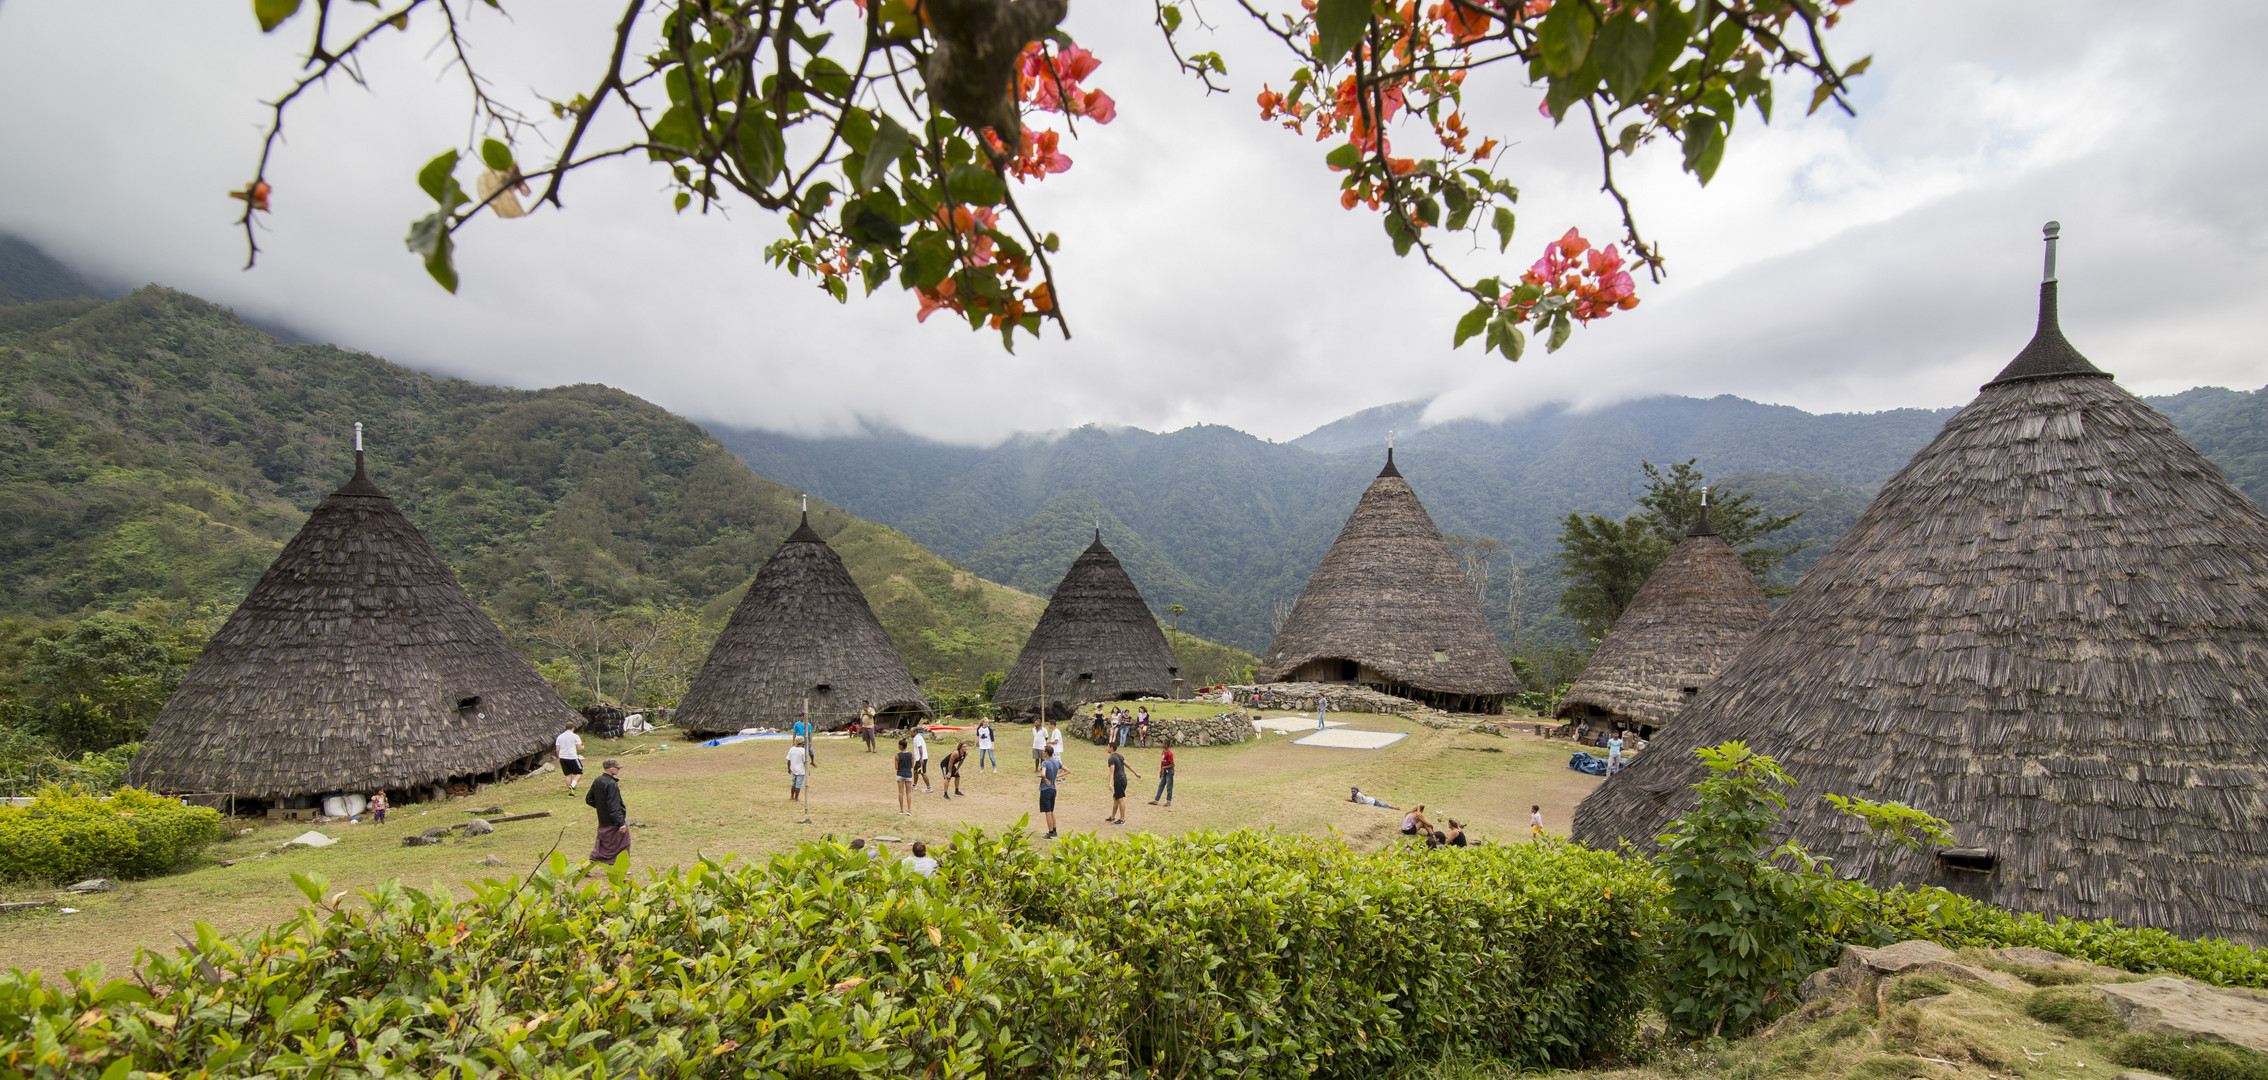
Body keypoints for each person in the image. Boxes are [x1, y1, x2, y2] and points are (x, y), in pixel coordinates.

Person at [580, 759, 629, 877]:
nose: (618, 770)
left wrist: (601, 808)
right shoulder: (611, 784)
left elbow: (589, 799)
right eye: (617, 768)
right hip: (612, 821)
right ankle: (587, 865)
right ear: (611, 769)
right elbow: (614, 805)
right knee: (621, 844)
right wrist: (620, 822)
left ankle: (621, 867)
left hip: (603, 820)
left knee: (604, 844)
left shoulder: (598, 780)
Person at [1105, 742, 1141, 824]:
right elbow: (1128, 765)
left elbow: (1112, 771)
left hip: (1118, 780)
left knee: (1120, 799)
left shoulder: (1111, 759)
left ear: (1111, 748)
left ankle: (1122, 819)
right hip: (1124, 779)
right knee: (1115, 798)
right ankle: (1112, 817)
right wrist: (1135, 773)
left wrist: (1110, 783)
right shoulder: (1120, 756)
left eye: (1108, 747)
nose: (1107, 748)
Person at [1039, 746, 1069, 839]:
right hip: (1053, 789)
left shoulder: (1045, 763)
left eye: (1044, 751)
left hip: (1045, 789)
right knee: (1052, 811)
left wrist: (1044, 779)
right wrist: (1056, 777)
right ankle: (1054, 830)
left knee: (1047, 812)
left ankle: (1050, 832)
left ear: (1047, 753)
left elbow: (1043, 773)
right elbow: (1068, 770)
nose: (1043, 752)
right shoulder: (1056, 762)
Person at [555, 725, 586, 791]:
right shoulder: (575, 736)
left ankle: (569, 788)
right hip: (572, 757)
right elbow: (580, 748)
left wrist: (559, 757)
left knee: (568, 774)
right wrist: (583, 747)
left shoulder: (560, 736)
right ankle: (572, 785)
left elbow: (557, 749)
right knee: (579, 772)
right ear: (573, 728)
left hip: (563, 757)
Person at [1148, 740, 1176, 808]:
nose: (1162, 744)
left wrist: (1164, 767)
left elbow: (1172, 764)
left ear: (1166, 745)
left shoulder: (1169, 753)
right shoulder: (1163, 752)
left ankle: (1168, 801)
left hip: (1169, 771)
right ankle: (1156, 800)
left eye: (1163, 743)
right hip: (1164, 771)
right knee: (1161, 785)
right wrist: (1161, 771)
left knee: (1169, 786)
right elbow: (1162, 762)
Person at [786, 736, 810, 804]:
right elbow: (805, 761)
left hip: (793, 769)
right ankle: (796, 798)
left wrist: (789, 768)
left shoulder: (792, 749)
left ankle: (792, 796)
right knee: (798, 784)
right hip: (800, 770)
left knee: (793, 783)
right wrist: (807, 770)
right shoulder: (803, 751)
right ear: (802, 743)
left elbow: (788, 759)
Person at [895, 738, 915, 816]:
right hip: (908, 774)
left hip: (900, 774)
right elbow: (912, 765)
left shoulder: (897, 755)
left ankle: (901, 809)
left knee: (900, 792)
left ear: (901, 746)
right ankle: (909, 809)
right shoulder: (911, 755)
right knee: (908, 792)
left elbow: (896, 767)